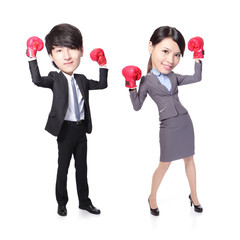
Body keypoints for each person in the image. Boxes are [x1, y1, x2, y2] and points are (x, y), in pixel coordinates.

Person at [26, 23, 108, 216]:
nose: (67, 56)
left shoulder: (82, 80)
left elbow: (103, 85)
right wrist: (31, 55)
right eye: (59, 50)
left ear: (81, 51)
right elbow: (37, 80)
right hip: (64, 130)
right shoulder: (54, 78)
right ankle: (61, 203)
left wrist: (102, 63)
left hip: (81, 130)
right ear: (51, 56)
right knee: (63, 169)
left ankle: (84, 202)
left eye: (72, 48)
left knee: (82, 168)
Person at [122, 26, 203, 216]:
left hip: (184, 121)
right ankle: (152, 197)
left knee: (190, 159)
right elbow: (137, 106)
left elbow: (197, 77)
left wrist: (198, 54)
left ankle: (195, 196)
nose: (170, 60)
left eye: (176, 55)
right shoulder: (146, 81)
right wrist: (131, 85)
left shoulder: (174, 76)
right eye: (165, 51)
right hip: (167, 124)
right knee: (164, 163)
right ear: (151, 47)